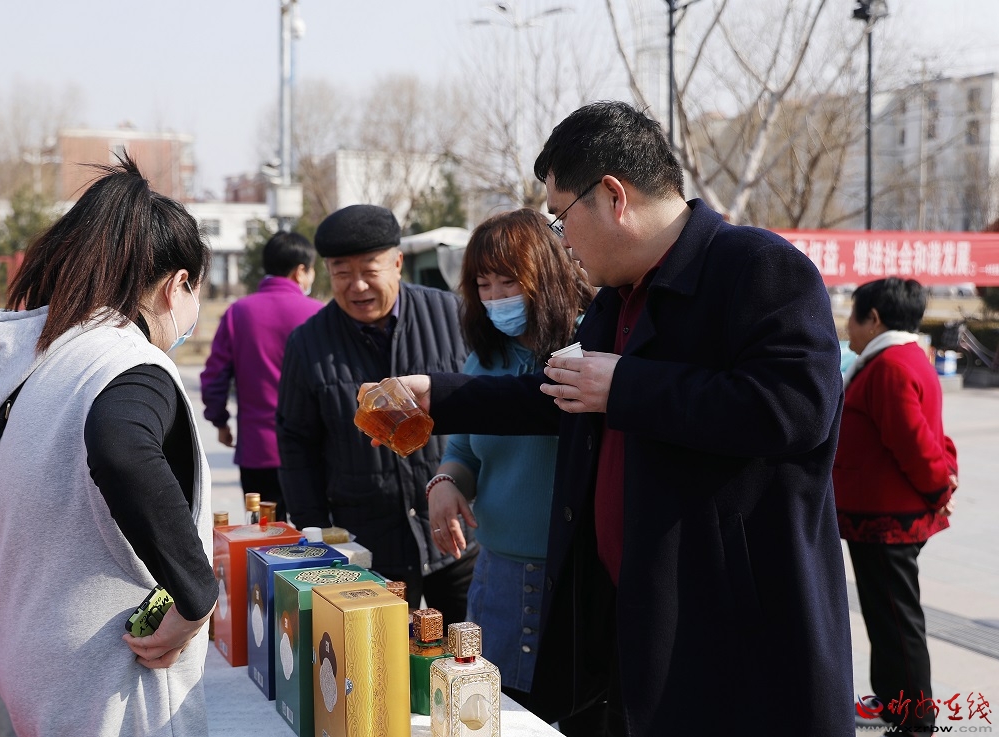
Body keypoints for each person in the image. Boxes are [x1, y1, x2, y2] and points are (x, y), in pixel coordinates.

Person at [368, 102, 854, 736]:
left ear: (613, 197)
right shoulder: (615, 302)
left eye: (561, 216)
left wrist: (628, 386)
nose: (561, 239)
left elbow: (798, 408)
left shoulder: (757, 268)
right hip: (631, 614)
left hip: (732, 619)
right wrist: (438, 395)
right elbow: (556, 397)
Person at [0, 155, 218, 736]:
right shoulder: (125, 363)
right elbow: (121, 449)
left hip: (35, 663)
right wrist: (197, 593)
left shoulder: (40, 357)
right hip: (111, 688)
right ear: (177, 286)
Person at [275, 204, 476, 626]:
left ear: (398, 263)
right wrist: (316, 532)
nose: (358, 285)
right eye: (342, 272)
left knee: (466, 653)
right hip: (366, 546)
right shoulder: (307, 344)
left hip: (456, 534)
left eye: (370, 270)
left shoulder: (452, 315)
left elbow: (487, 408)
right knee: (380, 660)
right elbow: (296, 442)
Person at [426, 208, 594, 704]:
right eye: (484, 284)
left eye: (509, 281)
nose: (496, 297)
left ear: (548, 273)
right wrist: (445, 483)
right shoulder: (485, 358)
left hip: (574, 575)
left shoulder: (589, 347)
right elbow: (463, 450)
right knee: (495, 710)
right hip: (497, 574)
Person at [835, 277, 957, 734]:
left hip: (889, 519)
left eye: (853, 316)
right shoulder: (902, 356)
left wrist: (939, 490)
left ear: (874, 319)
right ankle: (891, 699)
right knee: (885, 616)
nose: (848, 327)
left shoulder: (889, 365)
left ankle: (915, 718)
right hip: (879, 515)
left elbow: (915, 442)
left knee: (897, 621)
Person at [200, 231, 323, 521]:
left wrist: (220, 421)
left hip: (257, 449)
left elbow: (215, 376)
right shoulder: (319, 314)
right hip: (312, 449)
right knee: (313, 532)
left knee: (264, 533)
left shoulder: (238, 312)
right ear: (300, 271)